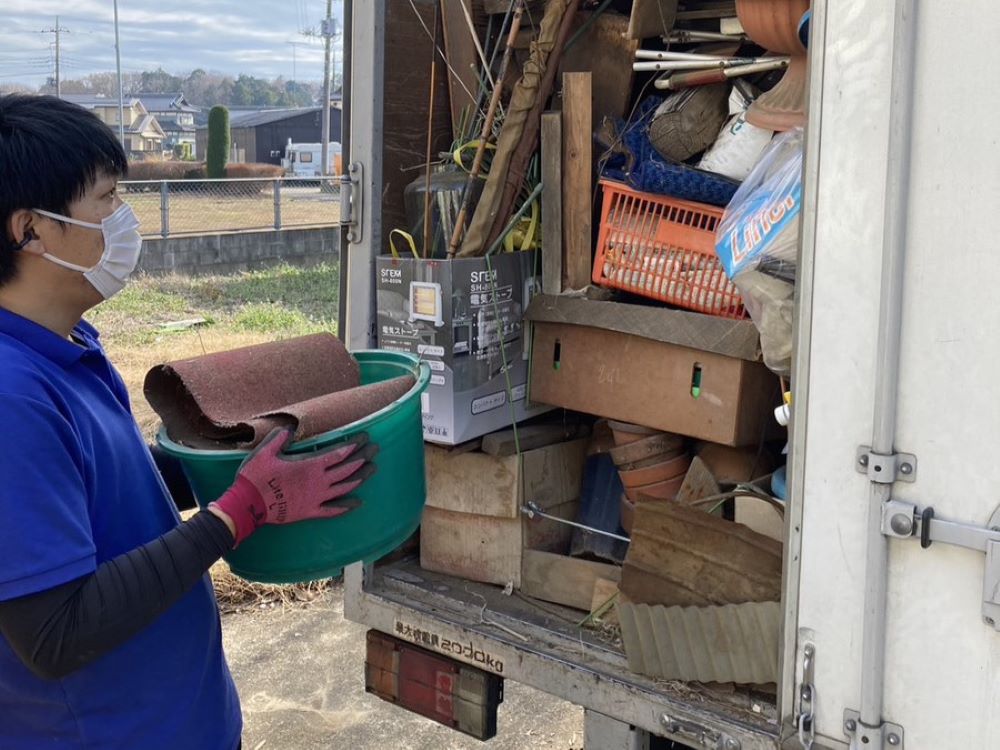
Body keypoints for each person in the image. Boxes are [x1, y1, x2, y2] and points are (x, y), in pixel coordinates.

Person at [0, 94, 376, 750]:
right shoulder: (12, 397)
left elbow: (104, 499)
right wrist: (237, 514)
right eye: (108, 200)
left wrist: (224, 454)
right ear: (31, 230)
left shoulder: (67, 344)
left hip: (181, 721)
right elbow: (54, 632)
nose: (125, 221)